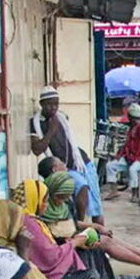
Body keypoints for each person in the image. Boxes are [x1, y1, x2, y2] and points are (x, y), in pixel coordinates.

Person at [42, 171, 140, 274]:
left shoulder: (63, 205)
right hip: (67, 244)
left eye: (66, 197)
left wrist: (95, 226)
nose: (62, 201)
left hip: (74, 236)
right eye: (60, 197)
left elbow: (73, 222)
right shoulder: (44, 208)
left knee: (107, 237)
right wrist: (76, 240)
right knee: (105, 242)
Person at [29, 86, 105, 225]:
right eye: (49, 104)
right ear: (41, 104)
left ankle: (101, 236)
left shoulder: (62, 118)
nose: (53, 108)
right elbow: (37, 150)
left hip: (82, 162)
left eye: (56, 104)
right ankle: (79, 225)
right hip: (63, 168)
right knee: (81, 187)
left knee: (96, 207)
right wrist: (51, 131)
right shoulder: (36, 124)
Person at [106, 103, 140, 203]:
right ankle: (113, 190)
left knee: (133, 170)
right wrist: (119, 155)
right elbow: (127, 145)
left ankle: (135, 193)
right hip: (130, 157)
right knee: (110, 166)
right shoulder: (132, 128)